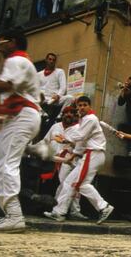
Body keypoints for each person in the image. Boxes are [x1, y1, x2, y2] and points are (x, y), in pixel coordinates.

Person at [0, 29, 41, 232]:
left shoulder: (16, 60)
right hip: (20, 117)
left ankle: (14, 216)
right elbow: (15, 99)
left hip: (23, 117)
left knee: (6, 163)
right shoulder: (22, 62)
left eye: (2, 40)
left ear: (13, 42)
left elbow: (4, 87)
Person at [44, 96, 114, 224]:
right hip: (91, 155)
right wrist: (73, 155)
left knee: (79, 184)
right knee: (69, 183)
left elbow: (80, 136)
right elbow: (81, 142)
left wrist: (64, 139)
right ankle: (59, 212)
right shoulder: (84, 120)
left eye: (84, 105)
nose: (81, 107)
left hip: (93, 154)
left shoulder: (90, 119)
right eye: (79, 105)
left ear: (89, 106)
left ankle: (104, 206)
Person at [37, 52, 74, 120]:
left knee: (70, 98)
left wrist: (58, 95)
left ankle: (60, 115)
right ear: (46, 60)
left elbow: (63, 87)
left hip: (54, 99)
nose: (51, 61)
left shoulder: (60, 72)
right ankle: (42, 113)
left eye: (53, 60)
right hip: (42, 98)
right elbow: (36, 88)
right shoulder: (38, 74)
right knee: (31, 98)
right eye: (50, 59)